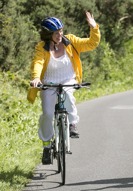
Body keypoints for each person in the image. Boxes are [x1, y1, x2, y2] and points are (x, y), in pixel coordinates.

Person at [27, 11, 100, 165]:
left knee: (69, 97)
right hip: (48, 83)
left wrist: (94, 28)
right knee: (47, 113)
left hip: (68, 79)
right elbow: (38, 62)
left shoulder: (71, 41)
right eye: (56, 32)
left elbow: (91, 43)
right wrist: (35, 78)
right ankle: (47, 147)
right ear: (48, 35)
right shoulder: (42, 47)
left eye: (60, 31)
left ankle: (72, 124)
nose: (60, 34)